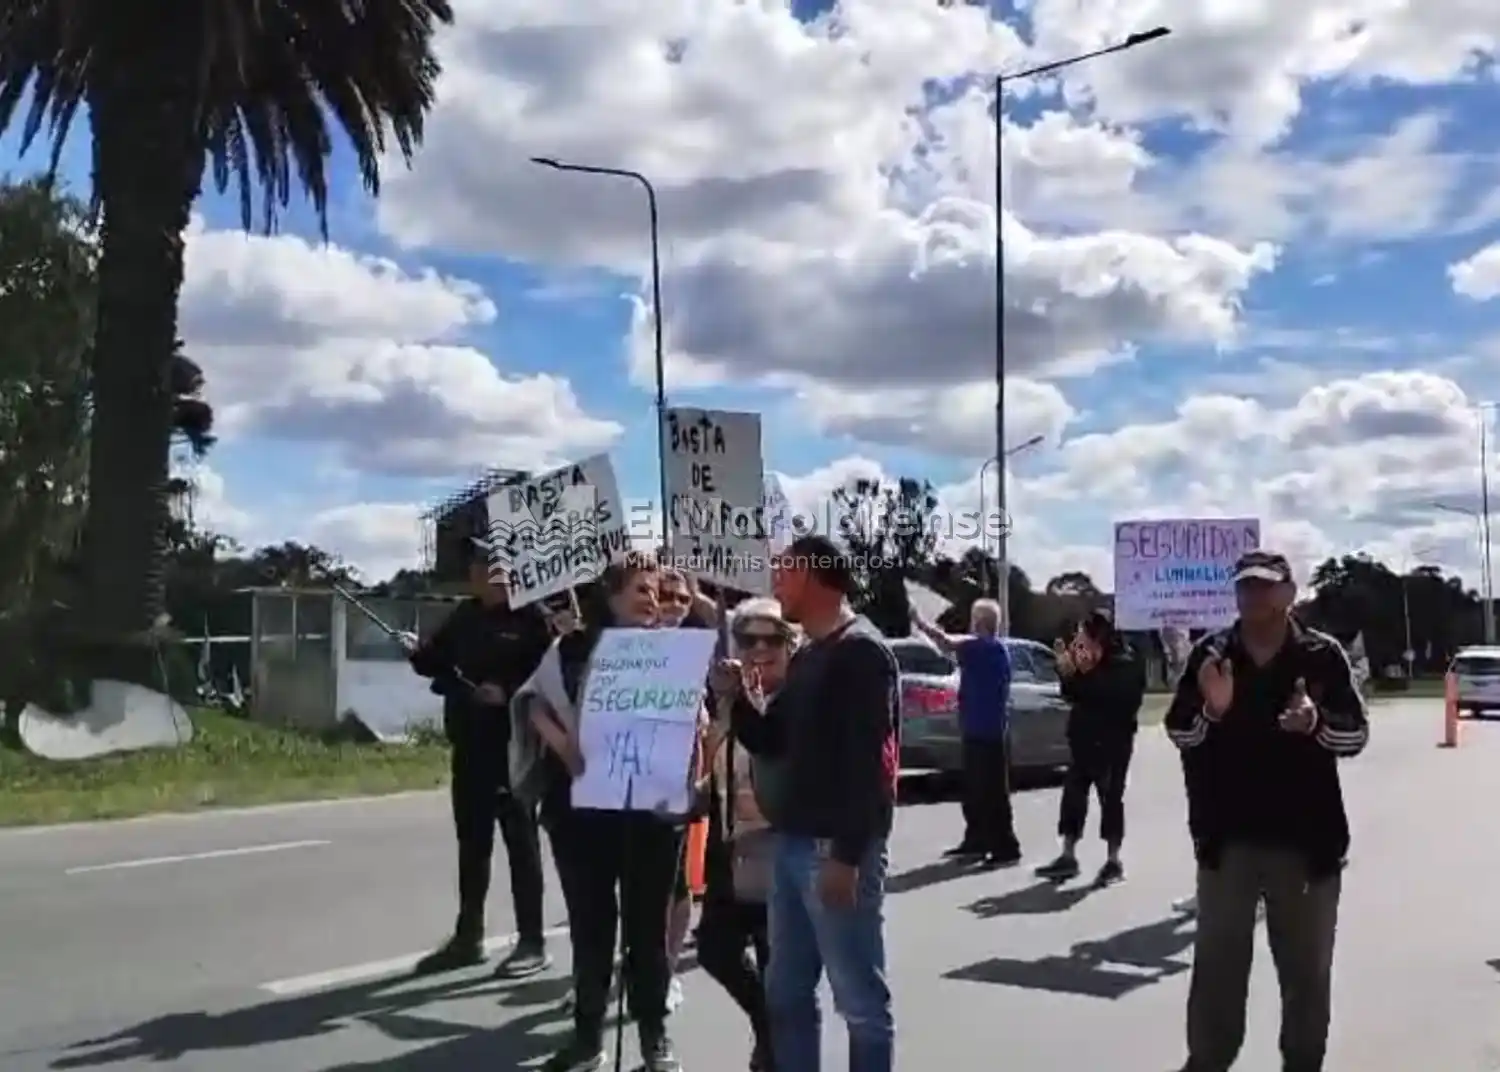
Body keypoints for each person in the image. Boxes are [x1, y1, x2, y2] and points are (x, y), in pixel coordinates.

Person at [1164, 550, 1369, 1072]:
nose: (1253, 595)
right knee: (1217, 968)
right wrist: (1213, 709)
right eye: (1244, 586)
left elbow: (1356, 735)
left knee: (1306, 973)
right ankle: (1208, 1060)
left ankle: (1302, 1062)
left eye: (1264, 585)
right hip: (1227, 839)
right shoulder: (1212, 654)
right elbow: (1179, 730)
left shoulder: (1321, 655)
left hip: (1307, 843)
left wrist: (1316, 723)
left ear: (1288, 593)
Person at [716, 534, 899, 1072]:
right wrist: (736, 698)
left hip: (833, 849)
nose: (775, 582)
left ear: (814, 575)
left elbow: (872, 765)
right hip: (791, 844)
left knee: (859, 1000)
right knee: (787, 993)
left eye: (784, 571)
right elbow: (773, 740)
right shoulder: (810, 655)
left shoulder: (860, 652)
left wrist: (846, 856)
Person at [511, 556, 685, 1072]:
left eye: (657, 590)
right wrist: (565, 746)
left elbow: (691, 720)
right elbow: (532, 701)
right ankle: (587, 1037)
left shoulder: (670, 650)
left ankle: (654, 1037)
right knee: (591, 929)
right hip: (580, 811)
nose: (652, 598)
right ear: (611, 595)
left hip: (650, 812)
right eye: (641, 588)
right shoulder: (571, 648)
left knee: (647, 933)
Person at [404, 537, 554, 978]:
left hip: (513, 749)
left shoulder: (534, 619)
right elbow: (435, 662)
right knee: (472, 846)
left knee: (521, 845)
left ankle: (532, 941)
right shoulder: (465, 615)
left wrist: (506, 691)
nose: (480, 574)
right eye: (476, 567)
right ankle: (468, 937)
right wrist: (417, 653)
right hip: (469, 747)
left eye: (489, 567)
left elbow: (549, 678)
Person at [694, 597, 792, 1072]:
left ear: (791, 646)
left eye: (773, 639)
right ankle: (766, 1026)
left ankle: (777, 1051)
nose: (759, 648)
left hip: (778, 848)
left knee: (779, 966)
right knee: (715, 950)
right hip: (728, 845)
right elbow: (711, 764)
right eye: (748, 639)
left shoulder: (794, 700)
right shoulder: (727, 696)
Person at [1035, 610, 1146, 886]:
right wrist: (1066, 671)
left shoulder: (1126, 661)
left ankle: (1113, 861)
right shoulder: (1089, 660)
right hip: (1083, 738)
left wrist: (1077, 675)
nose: (1080, 639)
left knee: (1111, 799)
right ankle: (1068, 855)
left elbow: (1112, 697)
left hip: (1114, 742)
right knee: (1073, 796)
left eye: (1086, 633)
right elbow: (1071, 694)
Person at [911, 599, 1022, 866]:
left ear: (980, 622)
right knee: (974, 791)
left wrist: (920, 621)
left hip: (989, 732)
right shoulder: (982, 650)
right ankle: (977, 841)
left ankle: (1006, 849)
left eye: (974, 618)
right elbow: (949, 648)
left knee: (992, 793)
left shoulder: (986, 647)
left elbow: (948, 643)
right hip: (976, 729)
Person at [657, 564, 716, 1013]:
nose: (675, 606)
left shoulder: (694, 651)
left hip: (678, 786)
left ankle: (666, 972)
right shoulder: (619, 644)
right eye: (666, 596)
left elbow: (704, 724)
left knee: (677, 886)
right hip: (625, 787)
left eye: (683, 599)